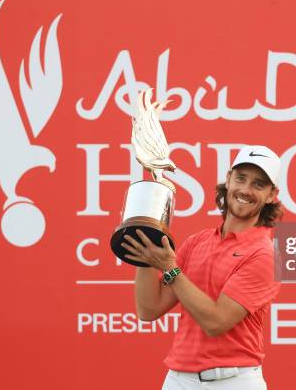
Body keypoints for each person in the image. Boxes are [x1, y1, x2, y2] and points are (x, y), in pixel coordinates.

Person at [121, 145, 283, 390]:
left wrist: (170, 268)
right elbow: (149, 310)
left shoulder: (265, 255)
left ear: (272, 195)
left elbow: (216, 322)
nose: (245, 190)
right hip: (178, 379)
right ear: (228, 179)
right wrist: (147, 245)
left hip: (234, 382)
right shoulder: (197, 242)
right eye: (241, 178)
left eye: (258, 184)